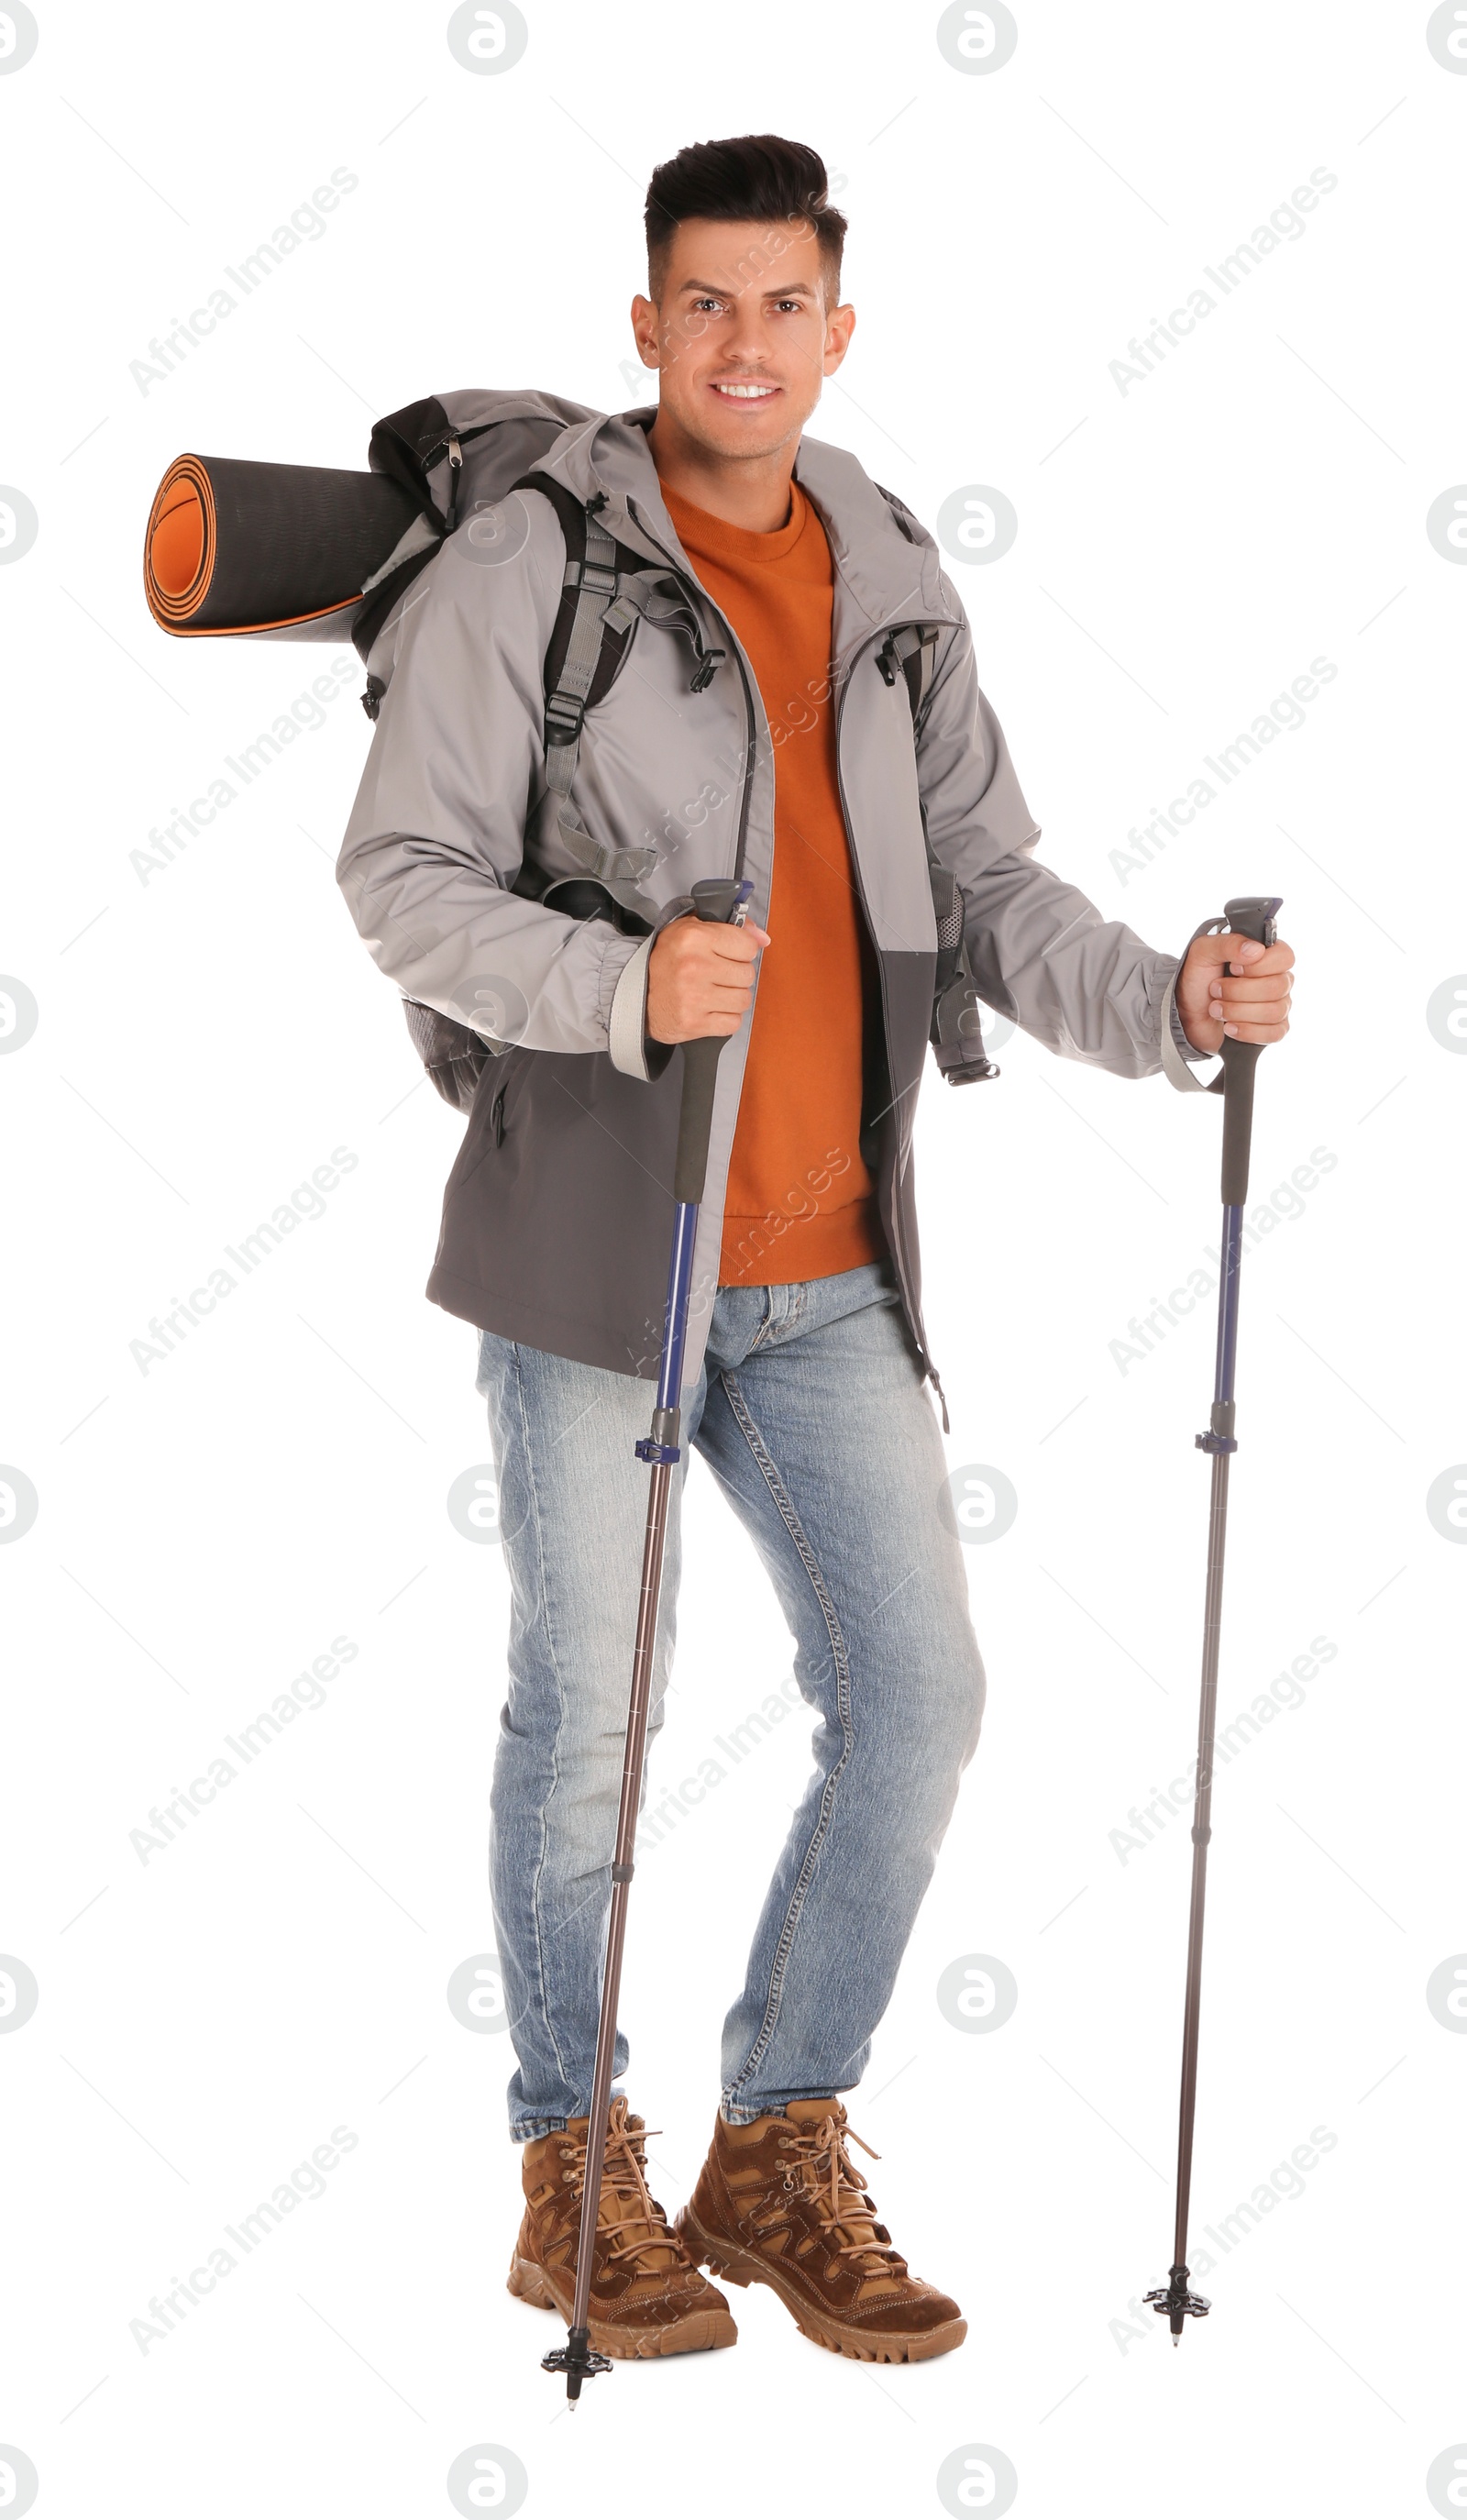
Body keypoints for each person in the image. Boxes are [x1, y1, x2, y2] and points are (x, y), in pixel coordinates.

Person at [336, 133, 1294, 2370]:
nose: (742, 343)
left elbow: (986, 884)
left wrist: (1161, 998)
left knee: (922, 1700)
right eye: (703, 303)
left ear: (834, 331)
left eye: (783, 306)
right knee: (590, 1725)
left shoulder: (885, 572)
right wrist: (614, 987)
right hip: (599, 1255)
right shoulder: (521, 573)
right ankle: (569, 2163)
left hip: (832, 1260)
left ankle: (775, 2137)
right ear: (643, 327)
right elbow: (401, 876)